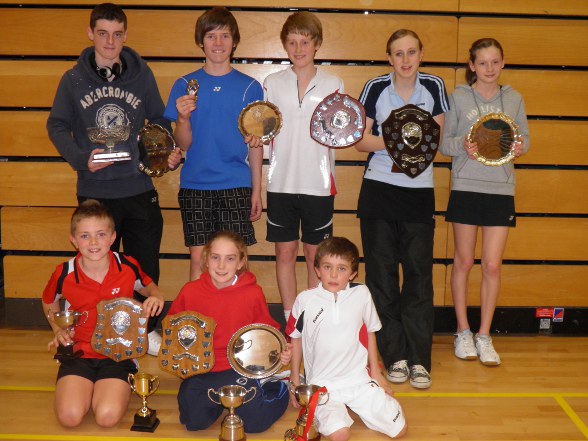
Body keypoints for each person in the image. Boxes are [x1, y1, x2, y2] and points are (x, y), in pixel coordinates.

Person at [46, 3, 181, 354]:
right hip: (96, 192)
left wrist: (161, 151)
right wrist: (80, 158)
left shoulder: (142, 73)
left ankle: (146, 331)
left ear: (124, 36)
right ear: (91, 34)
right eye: (103, 33)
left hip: (138, 187)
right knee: (96, 266)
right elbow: (56, 125)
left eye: (117, 34)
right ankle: (96, 332)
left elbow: (159, 121)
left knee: (144, 266)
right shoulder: (72, 79)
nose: (110, 41)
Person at [354, 29, 449, 389]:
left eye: (411, 52)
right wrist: (400, 140)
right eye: (398, 53)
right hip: (378, 191)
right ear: (389, 57)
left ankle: (420, 360)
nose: (405, 60)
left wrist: (393, 139)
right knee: (381, 279)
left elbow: (433, 144)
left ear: (421, 54)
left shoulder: (434, 87)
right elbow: (362, 142)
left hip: (418, 194)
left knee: (419, 278)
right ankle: (394, 355)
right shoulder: (375, 88)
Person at [440, 38, 529, 366]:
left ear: (502, 63)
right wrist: (464, 143)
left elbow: (525, 140)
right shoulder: (459, 97)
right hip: (465, 187)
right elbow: (445, 145)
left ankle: (485, 335)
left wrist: (519, 148)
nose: (489, 69)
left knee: (492, 265)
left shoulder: (514, 98)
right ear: (472, 65)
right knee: (463, 261)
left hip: (500, 189)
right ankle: (462, 331)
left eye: (495, 62)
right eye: (483, 63)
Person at [41, 200, 165, 428]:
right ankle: (82, 385)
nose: (94, 242)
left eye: (100, 234)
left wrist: (155, 296)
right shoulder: (64, 272)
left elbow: (148, 285)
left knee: (106, 417)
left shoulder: (127, 265)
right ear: (74, 240)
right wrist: (58, 329)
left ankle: (110, 387)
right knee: (70, 417)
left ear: (112, 237)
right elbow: (48, 301)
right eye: (85, 236)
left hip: (118, 354)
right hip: (79, 354)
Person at [164, 7, 264, 281]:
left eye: (225, 36)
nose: (218, 43)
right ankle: (197, 323)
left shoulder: (250, 87)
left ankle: (241, 323)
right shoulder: (185, 84)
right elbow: (183, 144)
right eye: (211, 36)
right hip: (196, 184)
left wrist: (256, 190)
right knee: (198, 260)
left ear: (235, 41)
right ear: (201, 41)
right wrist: (183, 118)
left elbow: (256, 144)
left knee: (236, 262)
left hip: (235, 184)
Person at [263, 12, 344, 322]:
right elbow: (262, 129)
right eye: (292, 42)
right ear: (284, 45)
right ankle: (289, 320)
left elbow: (341, 130)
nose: (299, 49)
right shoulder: (272, 83)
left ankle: (312, 320)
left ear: (317, 44)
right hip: (280, 183)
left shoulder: (333, 83)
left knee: (315, 258)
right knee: (284, 254)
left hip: (318, 185)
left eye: (305, 42)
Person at [166, 230, 292, 432]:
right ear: (206, 259)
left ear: (241, 262)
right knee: (194, 422)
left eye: (230, 258)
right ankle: (221, 401)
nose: (222, 266)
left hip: (238, 369)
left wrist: (282, 351)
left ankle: (279, 386)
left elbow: (268, 331)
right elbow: (172, 330)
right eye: (215, 258)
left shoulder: (252, 293)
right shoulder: (190, 291)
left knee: (253, 423)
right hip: (202, 371)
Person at [286, 237, 407, 440]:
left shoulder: (362, 294)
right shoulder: (304, 300)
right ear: (317, 269)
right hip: (322, 385)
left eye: (341, 269)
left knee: (400, 430)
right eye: (327, 267)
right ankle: (336, 411)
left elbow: (370, 331)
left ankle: (361, 404)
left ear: (352, 273)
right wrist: (295, 381)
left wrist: (377, 375)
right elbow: (295, 339)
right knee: (340, 435)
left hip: (358, 380)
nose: (333, 275)